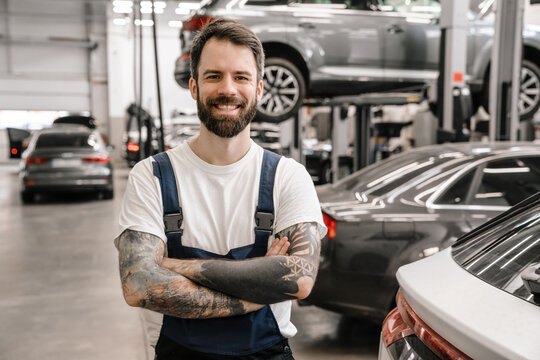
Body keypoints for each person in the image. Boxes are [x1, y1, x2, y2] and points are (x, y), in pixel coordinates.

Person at [115, 18, 327, 360]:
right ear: (195, 87)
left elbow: (298, 280)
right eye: (214, 76)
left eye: (241, 77)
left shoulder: (288, 177)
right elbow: (139, 285)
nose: (228, 89)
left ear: (258, 89)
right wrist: (258, 288)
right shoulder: (151, 176)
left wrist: (176, 266)